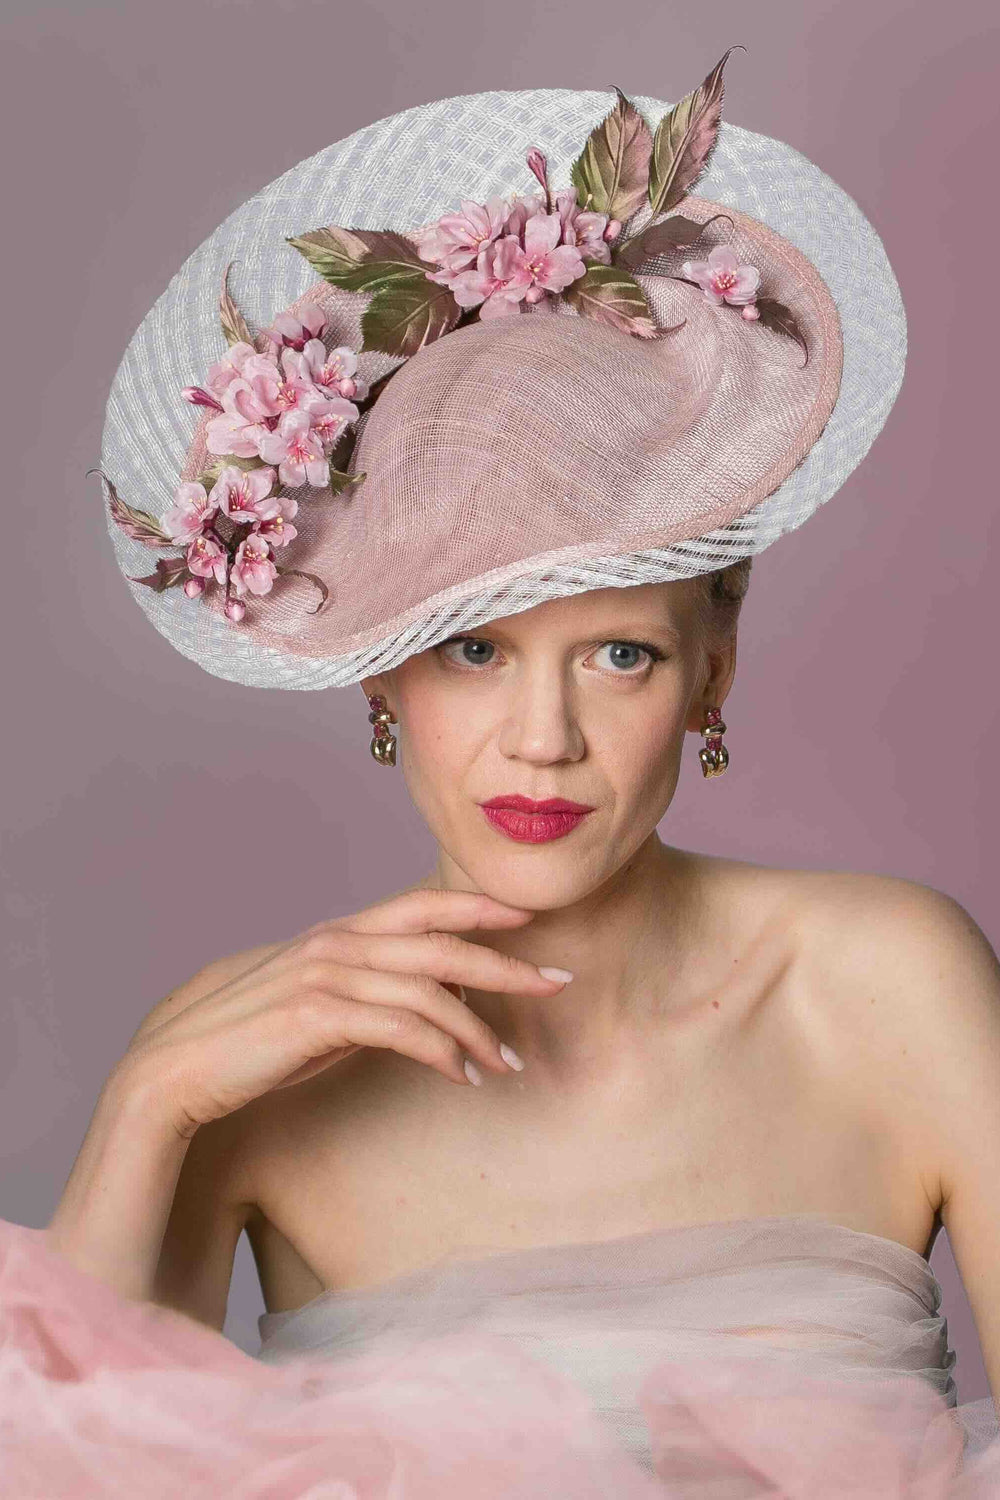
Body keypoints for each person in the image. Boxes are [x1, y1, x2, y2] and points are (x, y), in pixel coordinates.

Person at [3, 57, 999, 1499]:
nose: (542, 740)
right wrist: (152, 1102)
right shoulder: (248, 1069)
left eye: (619, 658)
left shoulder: (890, 981)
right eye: (474, 652)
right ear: (380, 675)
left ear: (714, 670)